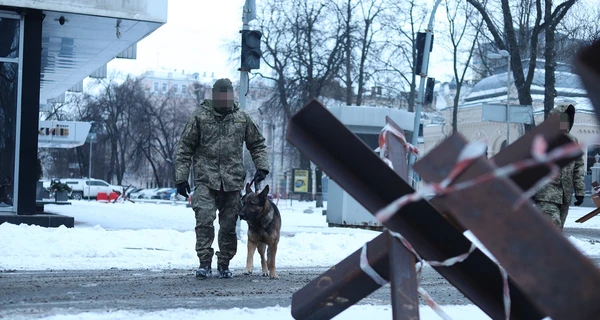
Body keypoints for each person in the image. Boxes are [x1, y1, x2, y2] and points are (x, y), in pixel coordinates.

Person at [175, 78, 269, 279]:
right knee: (204, 219)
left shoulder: (242, 118)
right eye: (221, 95)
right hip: (205, 179)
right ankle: (204, 263)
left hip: (232, 181)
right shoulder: (200, 117)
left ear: (233, 95)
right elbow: (185, 148)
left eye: (228, 95)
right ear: (214, 95)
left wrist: (262, 166)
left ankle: (224, 263)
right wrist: (181, 178)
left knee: (228, 225)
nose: (225, 99)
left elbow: (257, 144)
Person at [533, 104, 586, 231]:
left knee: (557, 231)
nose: (564, 122)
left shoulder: (573, 140)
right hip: (545, 194)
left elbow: (578, 167)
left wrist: (580, 192)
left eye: (567, 119)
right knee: (553, 225)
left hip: (564, 195)